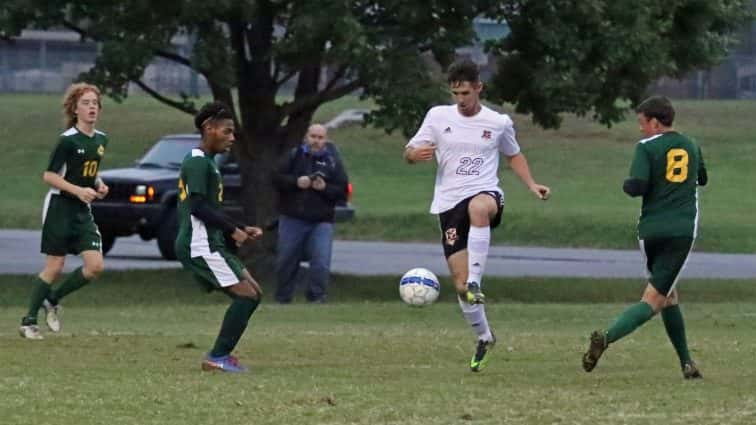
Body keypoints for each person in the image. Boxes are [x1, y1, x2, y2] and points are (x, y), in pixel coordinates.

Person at [404, 59, 551, 372]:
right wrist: (414, 155)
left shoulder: (497, 122)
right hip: (447, 204)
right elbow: (409, 151)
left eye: (466, 93)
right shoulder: (437, 116)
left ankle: (475, 280)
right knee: (459, 287)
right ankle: (484, 336)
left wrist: (531, 184)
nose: (461, 100)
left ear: (479, 88)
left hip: (486, 192)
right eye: (456, 93)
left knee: (478, 207)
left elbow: (513, 155)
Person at [582, 95, 708, 379]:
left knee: (668, 296)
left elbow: (636, 186)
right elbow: (701, 179)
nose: (641, 129)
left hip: (649, 232)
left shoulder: (646, 148)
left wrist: (629, 184)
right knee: (654, 299)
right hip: (681, 232)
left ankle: (687, 364)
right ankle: (606, 337)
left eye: (642, 123)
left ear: (655, 121)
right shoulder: (692, 145)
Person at [175, 101, 264, 373]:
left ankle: (221, 355)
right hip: (200, 244)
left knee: (255, 293)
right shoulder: (197, 162)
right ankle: (217, 357)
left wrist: (240, 226)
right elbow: (199, 207)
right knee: (247, 296)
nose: (232, 138)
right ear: (208, 128)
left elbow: (212, 209)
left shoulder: (208, 163)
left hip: (211, 242)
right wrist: (231, 230)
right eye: (227, 131)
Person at [19, 83, 110, 340]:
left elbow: (87, 171)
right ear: (74, 109)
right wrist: (78, 190)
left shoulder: (101, 139)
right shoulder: (67, 140)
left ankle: (53, 299)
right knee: (55, 265)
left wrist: (98, 184)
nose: (92, 107)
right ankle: (28, 322)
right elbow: (49, 175)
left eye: (95, 103)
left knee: (95, 266)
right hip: (60, 206)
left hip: (82, 210)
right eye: (86, 103)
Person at [273, 124, 349, 304]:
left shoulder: (333, 161)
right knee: (286, 260)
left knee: (321, 261)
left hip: (321, 220)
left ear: (326, 140)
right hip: (292, 217)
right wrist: (296, 182)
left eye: (320, 137)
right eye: (313, 136)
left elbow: (342, 192)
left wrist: (325, 188)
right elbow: (276, 178)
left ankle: (317, 298)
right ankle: (283, 298)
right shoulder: (294, 156)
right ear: (306, 137)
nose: (316, 141)